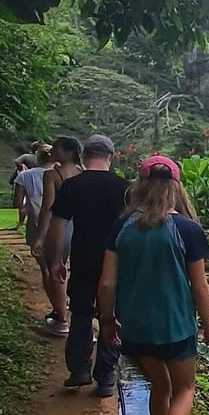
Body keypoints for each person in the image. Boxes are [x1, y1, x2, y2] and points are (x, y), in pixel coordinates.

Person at [98, 155, 209, 415]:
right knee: (184, 389)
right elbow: (200, 286)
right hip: (176, 328)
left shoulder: (122, 227)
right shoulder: (187, 229)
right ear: (176, 187)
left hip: (135, 330)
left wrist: (107, 321)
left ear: (140, 186)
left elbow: (106, 284)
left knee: (159, 386)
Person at [44, 134, 129, 397]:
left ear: (85, 156)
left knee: (81, 313)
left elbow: (56, 227)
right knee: (112, 315)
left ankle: (79, 369)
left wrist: (56, 260)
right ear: (111, 157)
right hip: (116, 262)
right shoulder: (124, 188)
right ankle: (105, 377)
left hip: (82, 259)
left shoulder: (72, 185)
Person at [33, 136, 82, 336]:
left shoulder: (52, 175)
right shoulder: (83, 172)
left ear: (67, 152)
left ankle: (61, 319)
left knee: (56, 270)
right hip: (80, 226)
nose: (52, 151)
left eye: (57, 148)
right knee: (74, 271)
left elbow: (47, 208)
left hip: (60, 226)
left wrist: (40, 237)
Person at [12, 144, 63, 318]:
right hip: (59, 227)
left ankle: (57, 309)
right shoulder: (62, 175)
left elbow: (17, 203)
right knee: (60, 267)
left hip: (35, 226)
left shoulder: (24, 176)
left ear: (37, 158)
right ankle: (61, 309)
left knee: (46, 269)